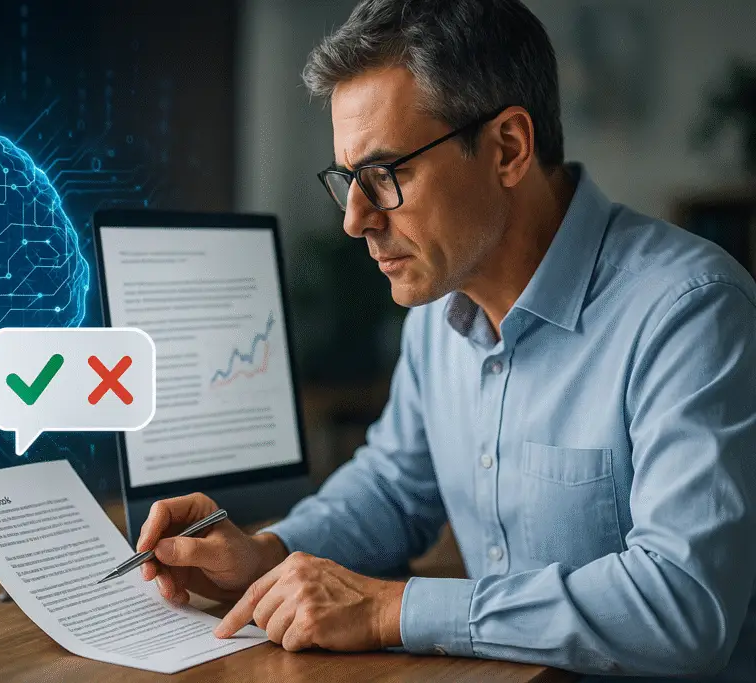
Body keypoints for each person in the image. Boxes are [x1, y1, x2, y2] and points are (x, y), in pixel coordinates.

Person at [136, 0, 756, 678]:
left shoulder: (690, 311)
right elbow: (394, 488)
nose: (354, 219)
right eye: (348, 179)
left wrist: (390, 610)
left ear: (509, 149)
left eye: (384, 174)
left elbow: (684, 605)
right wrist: (266, 552)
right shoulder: (439, 309)